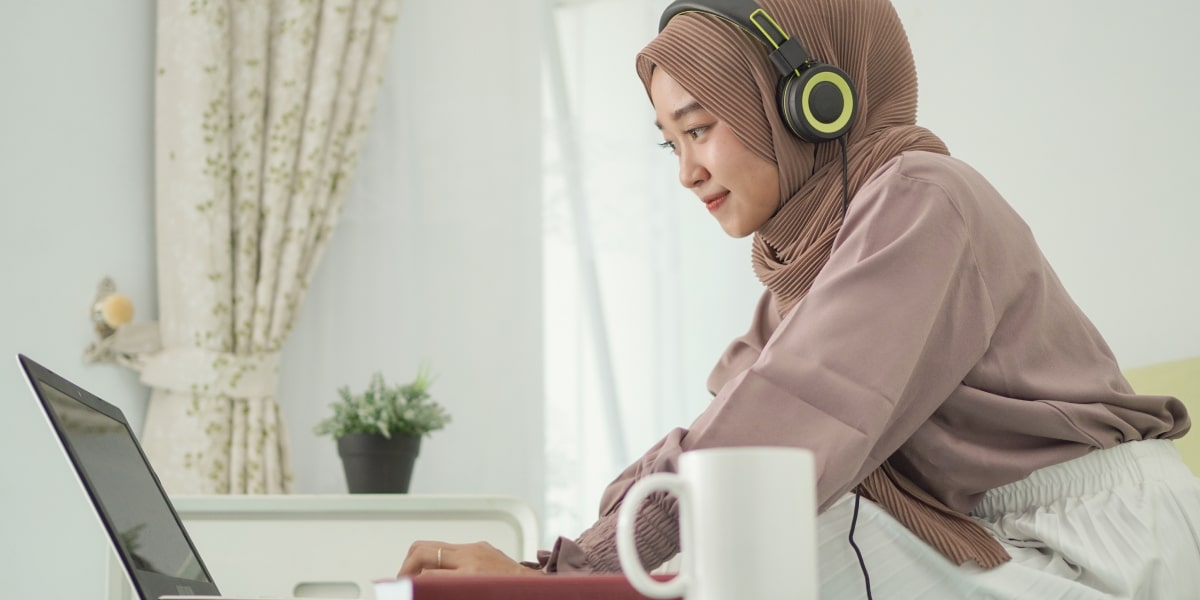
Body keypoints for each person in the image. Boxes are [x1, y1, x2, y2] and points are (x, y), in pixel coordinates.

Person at [398, 0, 1200, 596]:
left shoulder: (923, 198)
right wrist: (556, 565)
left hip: (1102, 546)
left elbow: (773, 438)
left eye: (701, 126)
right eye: (669, 141)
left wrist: (568, 579)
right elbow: (716, 435)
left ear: (810, 103)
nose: (686, 171)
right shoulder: (811, 257)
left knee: (795, 535)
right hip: (999, 536)